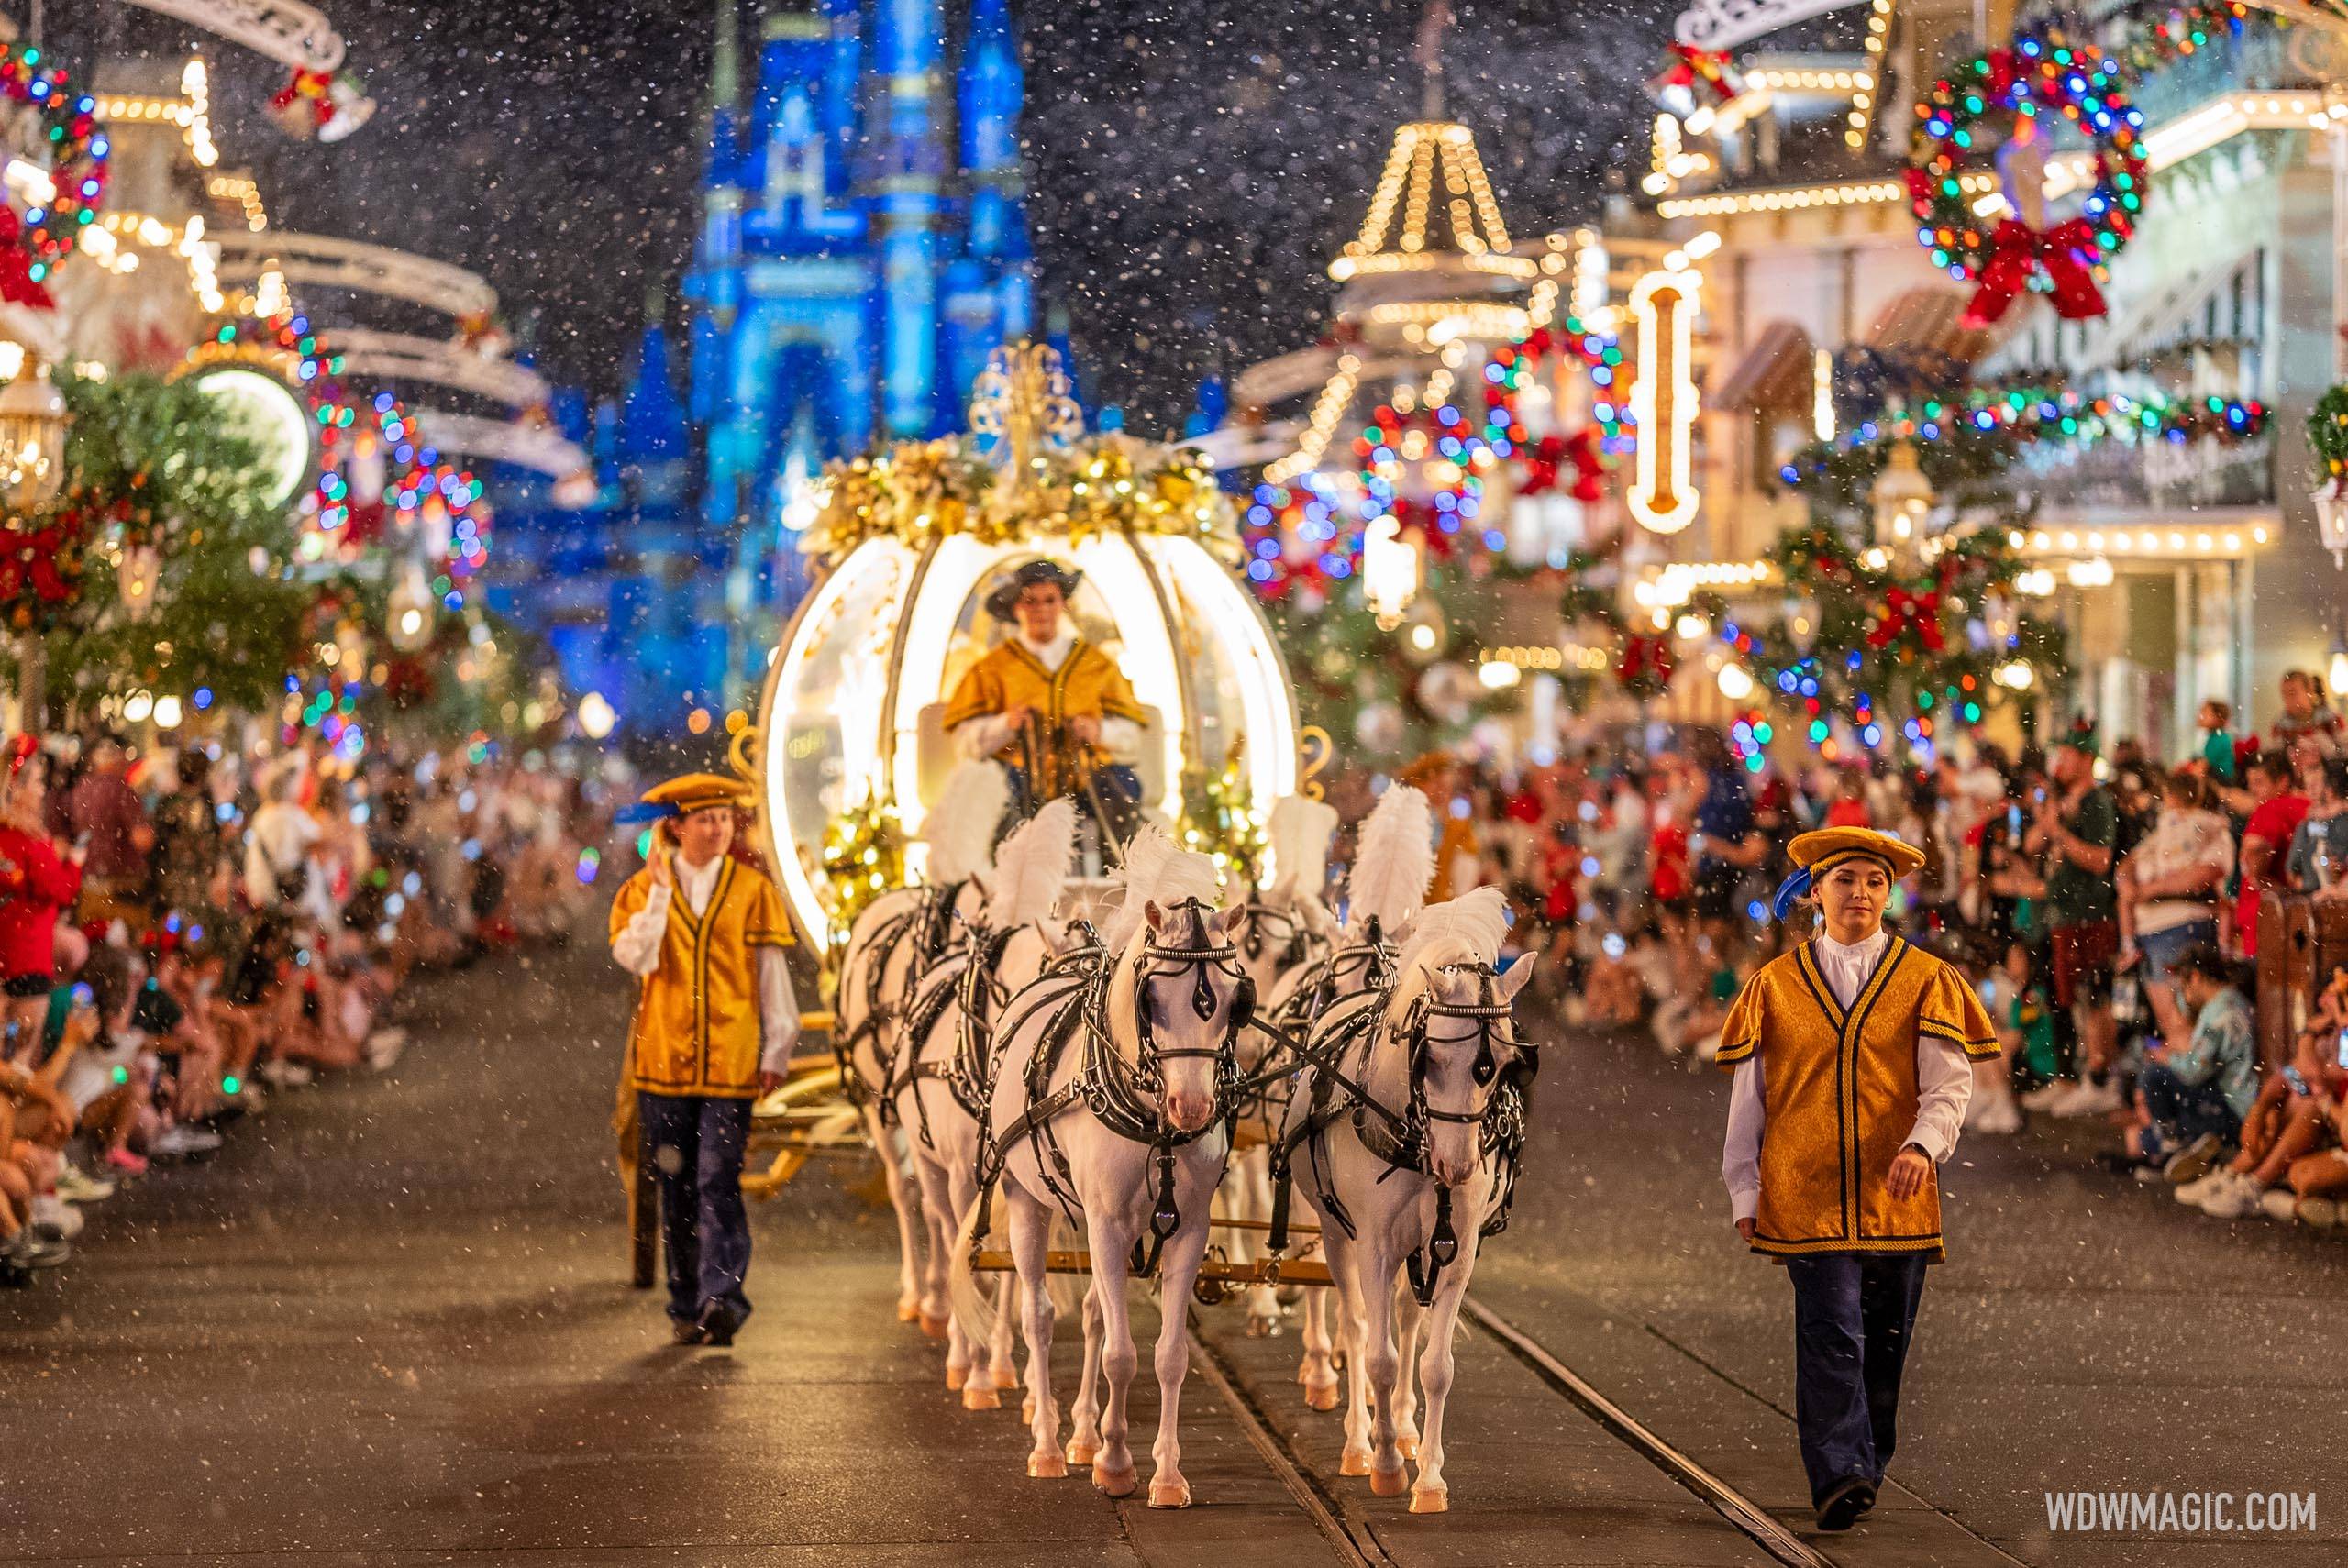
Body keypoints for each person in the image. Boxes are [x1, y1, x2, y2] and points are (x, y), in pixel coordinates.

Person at [1717, 827, 1998, 1531]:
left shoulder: (1926, 979)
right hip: (1804, 1191)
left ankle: (1867, 1456)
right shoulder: (1774, 987)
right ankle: (1839, 1470)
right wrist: (1744, 1188)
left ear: (1889, 892)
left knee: (1885, 1338)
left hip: (1895, 1197)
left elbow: (1948, 1086)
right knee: (1832, 1330)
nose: (1860, 895)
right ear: (1816, 892)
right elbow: (1749, 1099)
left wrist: (1922, 1147)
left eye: (1874, 881)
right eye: (1845, 880)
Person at [608, 772, 800, 1346]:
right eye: (705, 820)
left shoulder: (752, 889)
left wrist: (778, 1047)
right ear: (676, 828)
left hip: (731, 1061)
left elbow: (772, 976)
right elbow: (636, 958)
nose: (718, 829)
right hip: (663, 1063)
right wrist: (662, 890)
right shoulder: (640, 894)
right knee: (677, 1185)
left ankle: (725, 1298)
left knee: (719, 1179)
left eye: (723, 818)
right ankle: (684, 1302)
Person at [940, 559, 1146, 836]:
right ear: (1016, 608)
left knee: (1122, 786)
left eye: (1049, 600)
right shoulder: (991, 669)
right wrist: (1005, 725)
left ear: (1063, 605)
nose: (1041, 610)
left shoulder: (1097, 665)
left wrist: (1098, 731)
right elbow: (965, 744)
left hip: (1086, 777)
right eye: (1031, 601)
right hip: (1018, 777)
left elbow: (1131, 736)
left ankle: (1120, 869)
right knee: (994, 793)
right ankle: (1003, 871)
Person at [2030, 725, 2121, 1117]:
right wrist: (2049, 823)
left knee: (2092, 997)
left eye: (2066, 755)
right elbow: (2033, 843)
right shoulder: (2065, 800)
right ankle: (2073, 1077)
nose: (2059, 763)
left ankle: (2099, 1079)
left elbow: (2101, 859)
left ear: (2085, 761)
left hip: (2090, 914)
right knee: (2066, 999)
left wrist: (2059, 833)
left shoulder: (2097, 803)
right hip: (2064, 914)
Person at [2129, 944, 2257, 1180]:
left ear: (2196, 977)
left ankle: (2177, 1146)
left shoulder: (2221, 1011)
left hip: (2234, 1110)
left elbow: (2195, 1071)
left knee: (2153, 1075)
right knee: (2143, 1137)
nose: (2183, 994)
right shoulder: (2230, 1002)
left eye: (2183, 985)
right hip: (2230, 1103)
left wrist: (2167, 1058)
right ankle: (2183, 1146)